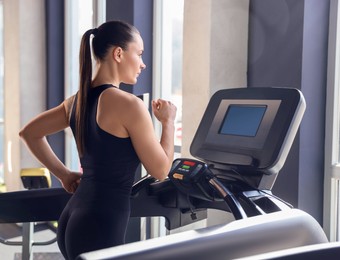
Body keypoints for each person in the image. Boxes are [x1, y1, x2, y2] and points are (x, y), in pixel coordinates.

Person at [19, 20, 177, 260]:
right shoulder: (130, 105)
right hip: (100, 225)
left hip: (73, 218)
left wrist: (64, 174)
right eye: (140, 54)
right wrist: (168, 122)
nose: (143, 64)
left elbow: (29, 134)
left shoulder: (76, 102)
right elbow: (161, 169)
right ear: (119, 53)